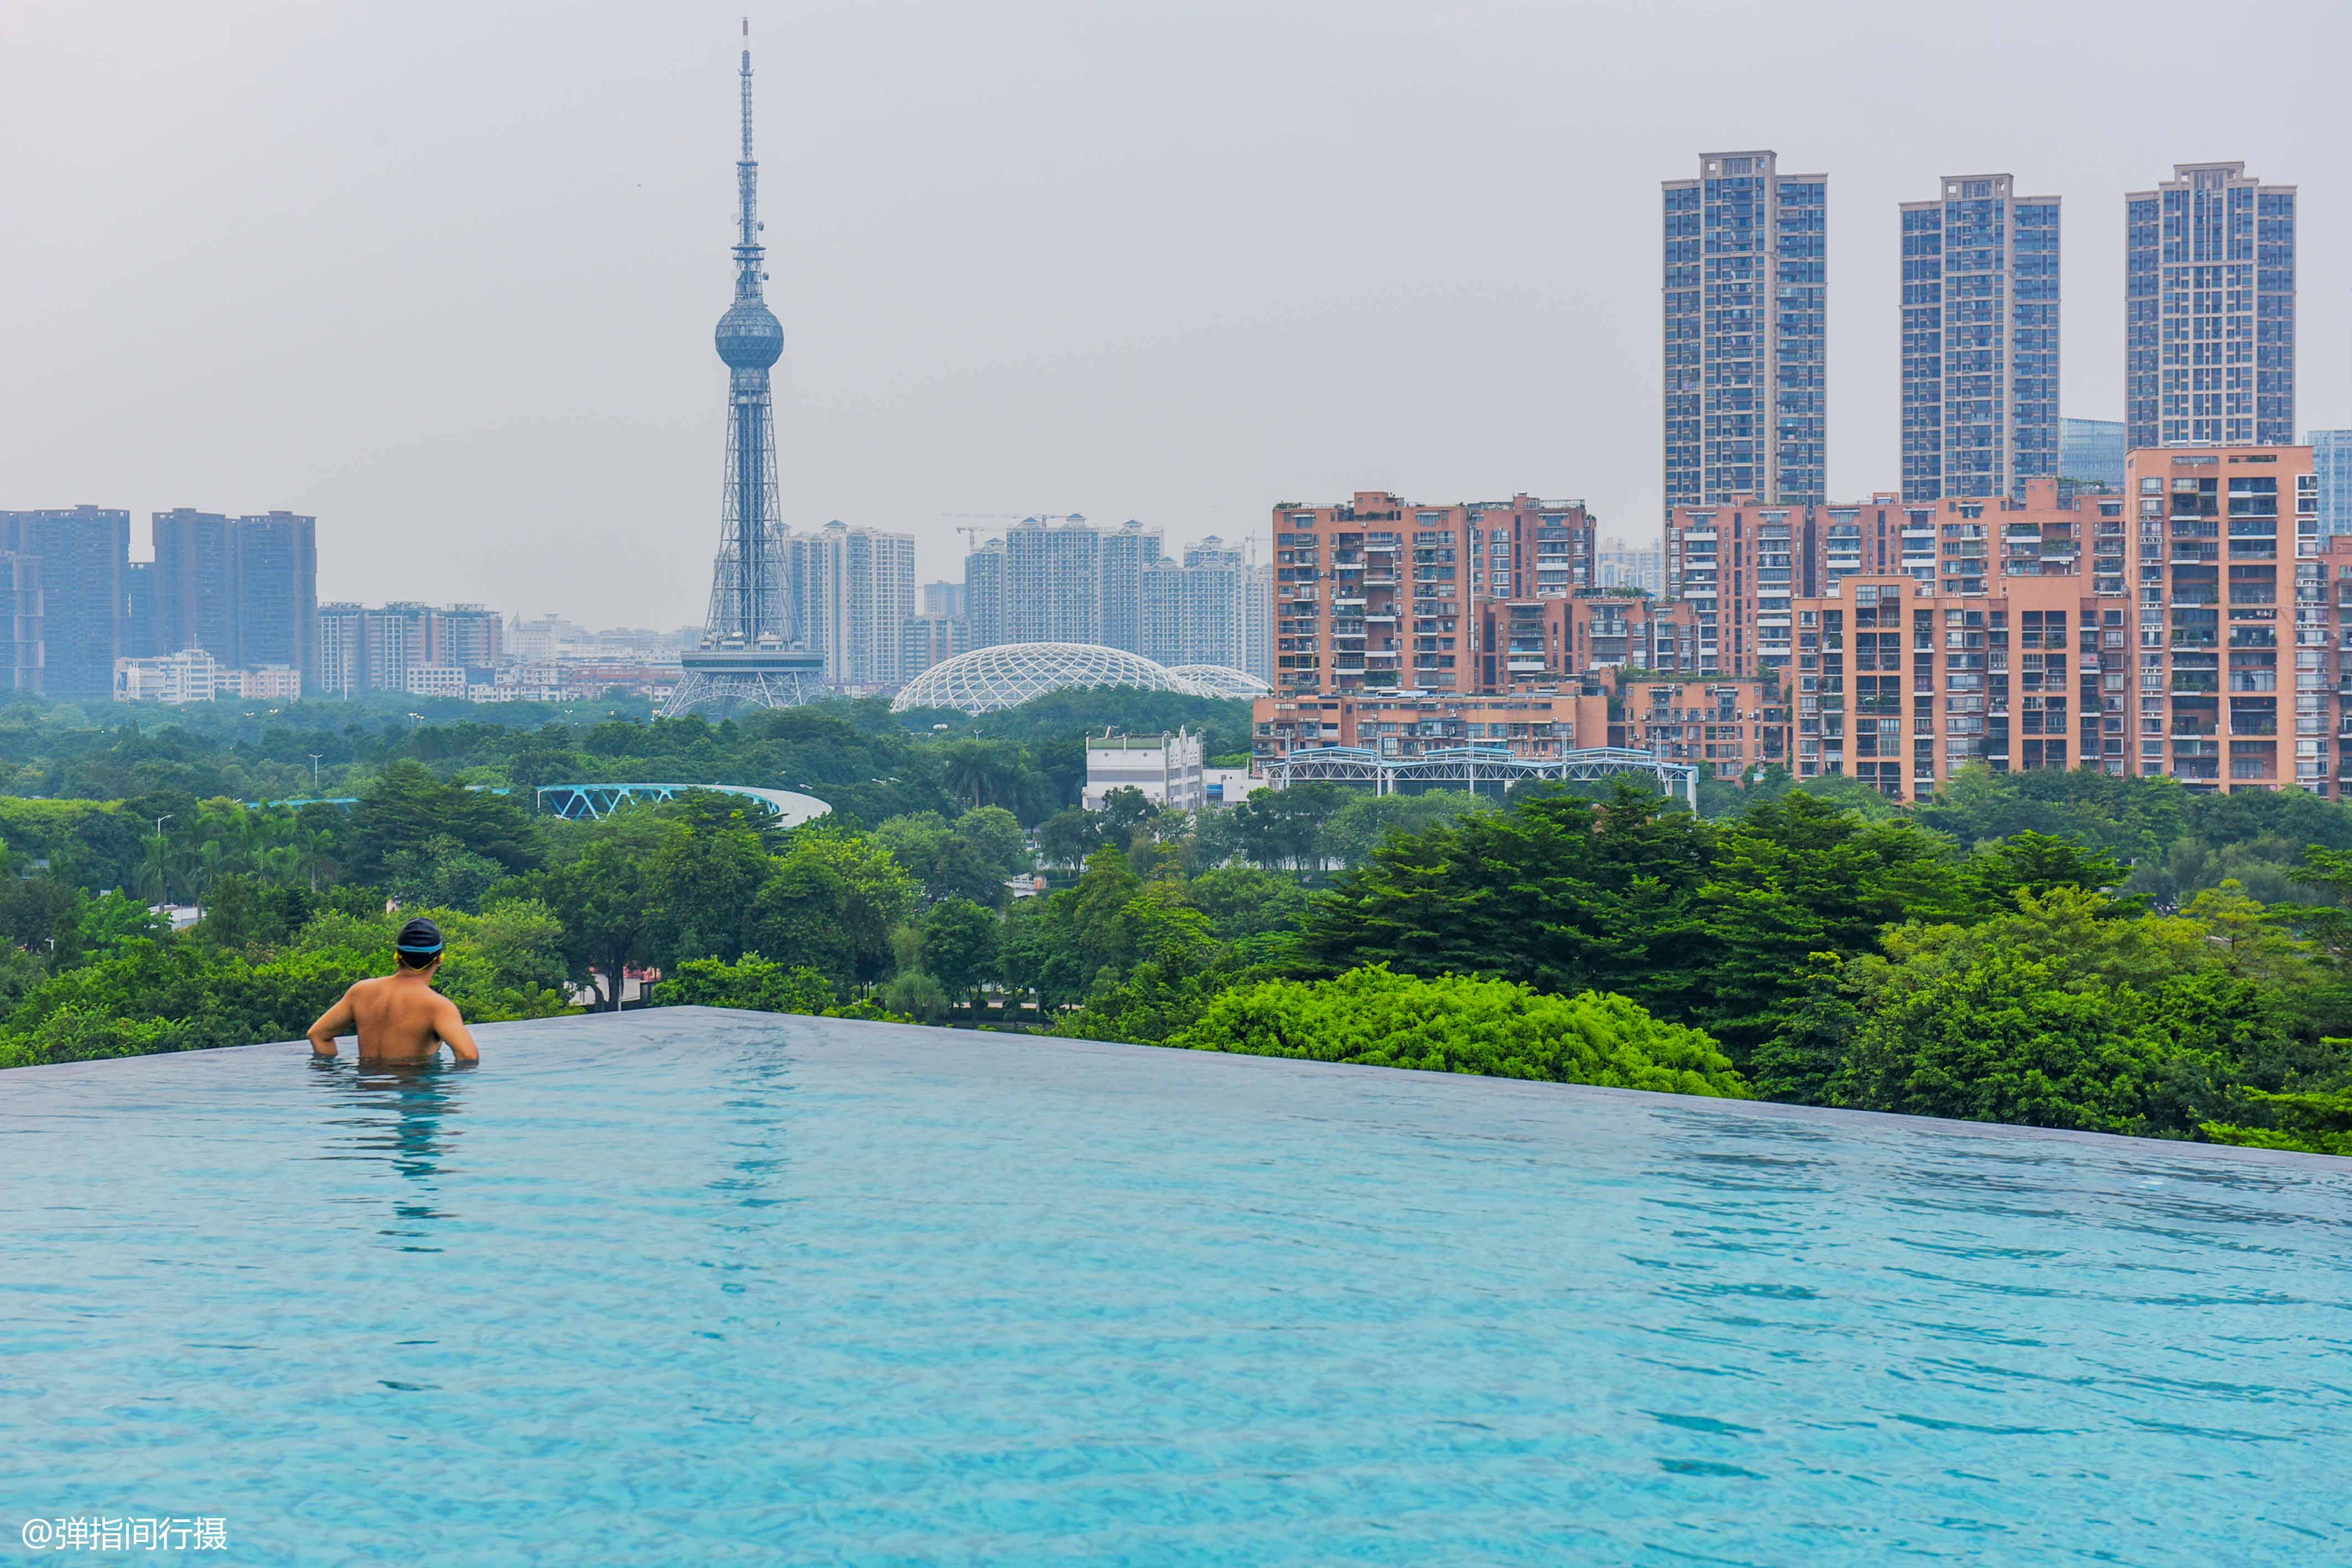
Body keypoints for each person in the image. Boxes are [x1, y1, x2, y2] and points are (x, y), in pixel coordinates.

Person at [308, 916, 480, 1065]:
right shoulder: (438, 1007)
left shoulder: (360, 992)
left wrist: (331, 1075)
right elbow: (468, 1056)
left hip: (366, 1098)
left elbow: (317, 1035)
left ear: (398, 956)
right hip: (413, 1097)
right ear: (439, 960)